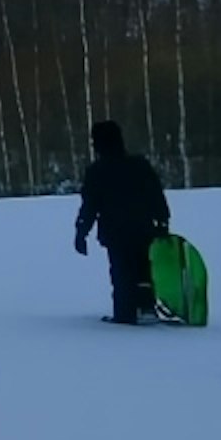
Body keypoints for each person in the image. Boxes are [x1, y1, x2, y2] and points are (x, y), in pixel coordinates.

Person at [70, 119, 171, 324]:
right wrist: (162, 222)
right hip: (144, 229)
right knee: (143, 268)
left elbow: (89, 206)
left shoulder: (97, 172)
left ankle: (125, 314)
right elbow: (156, 196)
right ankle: (145, 308)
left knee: (122, 273)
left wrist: (81, 233)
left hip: (115, 233)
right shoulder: (140, 165)